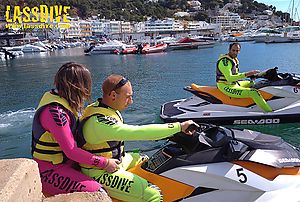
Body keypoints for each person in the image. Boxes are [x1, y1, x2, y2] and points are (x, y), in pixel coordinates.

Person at [77, 74, 198, 202]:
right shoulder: (99, 123)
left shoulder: (100, 107)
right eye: (128, 97)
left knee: (146, 160)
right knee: (154, 194)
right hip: (100, 172)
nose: (131, 101)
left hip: (117, 161)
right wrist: (179, 127)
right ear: (113, 95)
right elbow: (139, 132)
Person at [31, 62, 120, 196]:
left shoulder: (60, 100)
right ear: (77, 86)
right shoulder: (55, 113)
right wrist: (105, 162)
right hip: (50, 171)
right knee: (98, 193)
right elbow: (71, 151)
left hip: (67, 164)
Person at [216, 42, 272, 112]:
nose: (235, 53)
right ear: (229, 50)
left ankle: (255, 103)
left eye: (237, 51)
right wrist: (246, 74)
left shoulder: (234, 59)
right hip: (226, 86)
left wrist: (254, 75)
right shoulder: (225, 62)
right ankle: (269, 112)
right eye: (233, 50)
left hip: (234, 83)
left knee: (252, 83)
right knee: (254, 92)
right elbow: (229, 78)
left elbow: (235, 74)